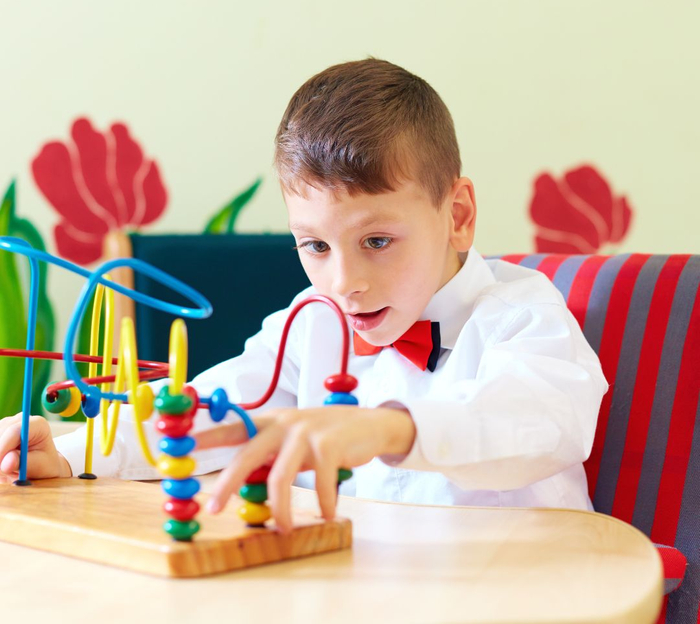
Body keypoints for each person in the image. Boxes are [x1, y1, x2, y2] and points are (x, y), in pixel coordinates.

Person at [0, 59, 608, 534]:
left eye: (376, 239)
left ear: (457, 214)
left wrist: (385, 431)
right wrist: (74, 452)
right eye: (315, 246)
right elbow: (210, 413)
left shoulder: (522, 315)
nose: (344, 282)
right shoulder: (311, 327)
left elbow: (540, 422)